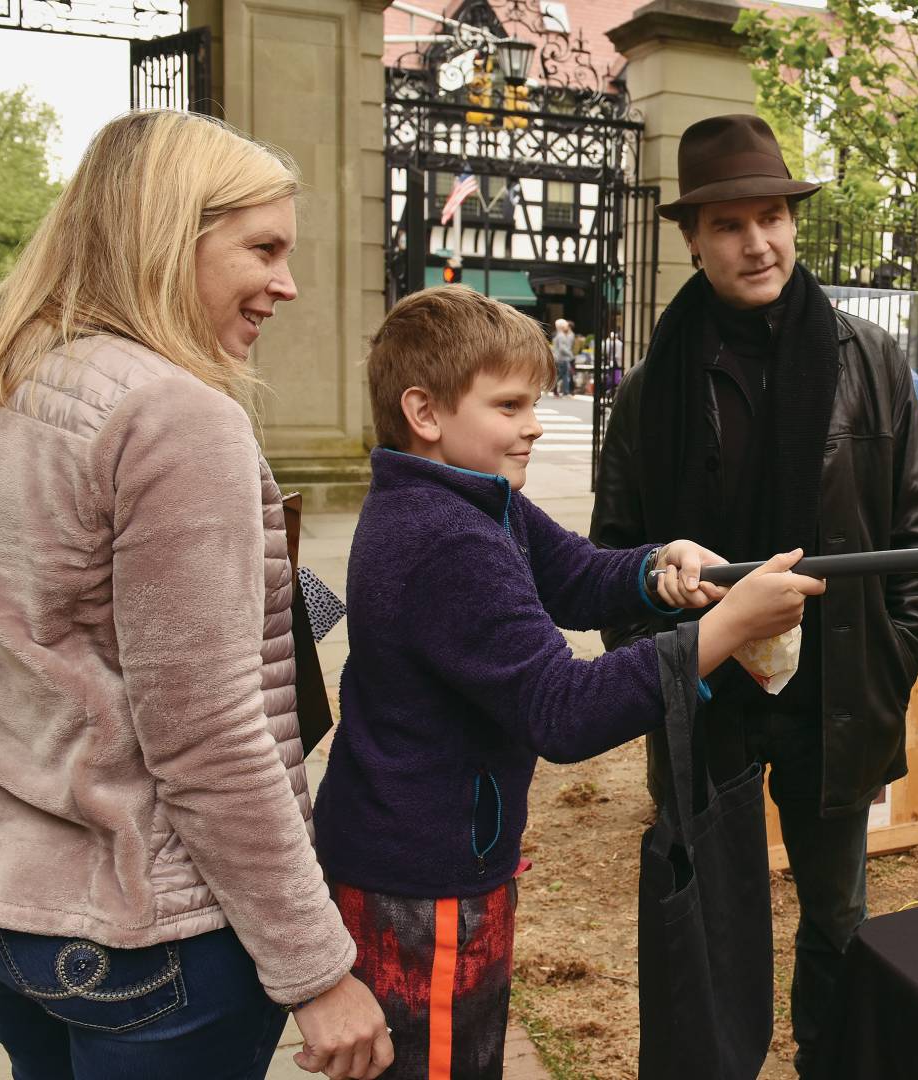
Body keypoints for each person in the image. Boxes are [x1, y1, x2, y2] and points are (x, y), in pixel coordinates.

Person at [0, 110, 394, 1079]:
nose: (288, 283)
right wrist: (317, 973)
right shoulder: (173, 415)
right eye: (264, 248)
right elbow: (210, 734)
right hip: (140, 934)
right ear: (168, 232)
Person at [311, 284, 821, 1079]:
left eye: (535, 401)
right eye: (509, 404)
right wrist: (723, 632)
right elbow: (563, 709)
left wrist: (661, 569)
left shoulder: (478, 502)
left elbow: (580, 576)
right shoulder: (446, 537)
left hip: (437, 861)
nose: (534, 424)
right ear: (425, 411)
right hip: (417, 888)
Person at [590, 113, 918, 1077]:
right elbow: (610, 557)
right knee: (707, 924)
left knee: (839, 920)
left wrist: (886, 664)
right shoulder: (652, 389)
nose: (759, 242)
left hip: (834, 698)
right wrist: (665, 642)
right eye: (731, 225)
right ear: (694, 241)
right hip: (705, 700)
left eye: (772, 217)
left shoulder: (868, 360)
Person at [550, 317, 575, 397]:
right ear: (562, 326)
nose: (567, 327)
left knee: (563, 375)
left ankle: (563, 391)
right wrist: (571, 355)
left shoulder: (557, 335)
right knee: (563, 375)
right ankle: (563, 391)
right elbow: (562, 348)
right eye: (566, 325)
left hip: (559, 358)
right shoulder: (561, 336)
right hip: (563, 358)